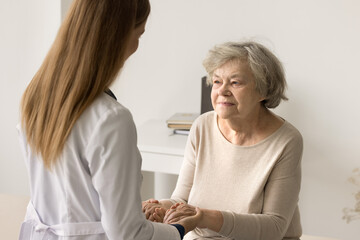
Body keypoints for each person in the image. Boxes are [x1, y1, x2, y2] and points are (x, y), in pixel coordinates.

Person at [17, 0, 201, 239]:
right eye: (139, 35)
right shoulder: (111, 120)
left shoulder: (37, 97)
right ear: (118, 38)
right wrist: (179, 229)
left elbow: (73, 193)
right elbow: (127, 234)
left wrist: (128, 209)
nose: (136, 47)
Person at [142, 41, 303, 240]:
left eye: (235, 83)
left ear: (263, 90)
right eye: (217, 81)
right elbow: (180, 200)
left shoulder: (286, 141)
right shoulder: (202, 126)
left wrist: (203, 218)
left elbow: (274, 227)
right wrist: (161, 208)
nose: (222, 91)